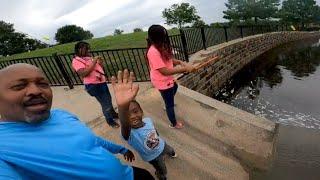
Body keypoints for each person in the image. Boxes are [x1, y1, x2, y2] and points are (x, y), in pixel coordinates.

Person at [0, 63, 154, 180]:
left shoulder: (61, 114)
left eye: (42, 84)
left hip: (129, 174)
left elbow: (91, 140)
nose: (36, 90)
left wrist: (121, 149)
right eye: (19, 86)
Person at [111, 70, 177, 180]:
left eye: (135, 111)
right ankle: (160, 175)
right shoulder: (129, 133)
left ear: (141, 111)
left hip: (161, 144)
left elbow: (154, 131)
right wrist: (122, 106)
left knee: (169, 149)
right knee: (162, 170)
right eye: (127, 114)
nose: (132, 116)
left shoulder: (148, 120)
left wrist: (157, 135)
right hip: (153, 157)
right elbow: (125, 124)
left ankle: (171, 153)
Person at [146, 25, 196, 129]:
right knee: (170, 105)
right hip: (162, 81)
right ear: (157, 37)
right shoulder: (153, 52)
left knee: (175, 87)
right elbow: (164, 71)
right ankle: (174, 123)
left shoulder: (160, 46)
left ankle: (167, 101)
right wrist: (184, 69)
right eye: (163, 35)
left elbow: (168, 59)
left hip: (166, 79)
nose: (165, 37)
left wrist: (179, 62)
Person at [72, 41, 119, 128]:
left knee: (108, 99)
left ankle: (113, 114)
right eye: (86, 48)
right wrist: (94, 62)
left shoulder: (88, 58)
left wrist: (100, 63)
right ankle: (110, 121)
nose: (88, 50)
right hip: (94, 85)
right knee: (105, 103)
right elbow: (83, 73)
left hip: (101, 82)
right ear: (80, 49)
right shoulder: (76, 61)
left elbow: (97, 68)